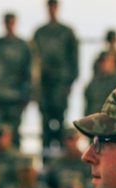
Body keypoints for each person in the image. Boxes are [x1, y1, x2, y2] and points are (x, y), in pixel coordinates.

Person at [32, 0, 79, 153]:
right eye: (50, 7)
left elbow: (74, 58)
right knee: (45, 121)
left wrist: (70, 82)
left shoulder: (67, 32)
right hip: (44, 85)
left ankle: (60, 153)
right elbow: (33, 59)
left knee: (59, 119)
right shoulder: (40, 32)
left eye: (54, 6)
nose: (52, 10)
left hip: (60, 83)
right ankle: (46, 156)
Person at [0, 12, 32, 147]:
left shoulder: (23, 46)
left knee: (14, 133)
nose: (9, 25)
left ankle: (15, 162)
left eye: (11, 22)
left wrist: (28, 95)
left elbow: (30, 72)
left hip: (16, 97)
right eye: (7, 22)